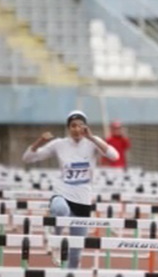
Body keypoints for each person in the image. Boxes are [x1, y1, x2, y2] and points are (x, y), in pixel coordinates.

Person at [23, 110, 119, 268]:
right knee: (60, 210)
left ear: (85, 127)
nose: (76, 129)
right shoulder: (59, 144)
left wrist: (92, 137)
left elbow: (114, 156)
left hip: (82, 199)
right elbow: (27, 158)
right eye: (73, 126)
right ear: (68, 128)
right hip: (62, 192)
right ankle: (56, 240)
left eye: (80, 125)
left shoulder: (92, 142)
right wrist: (39, 142)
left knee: (75, 255)